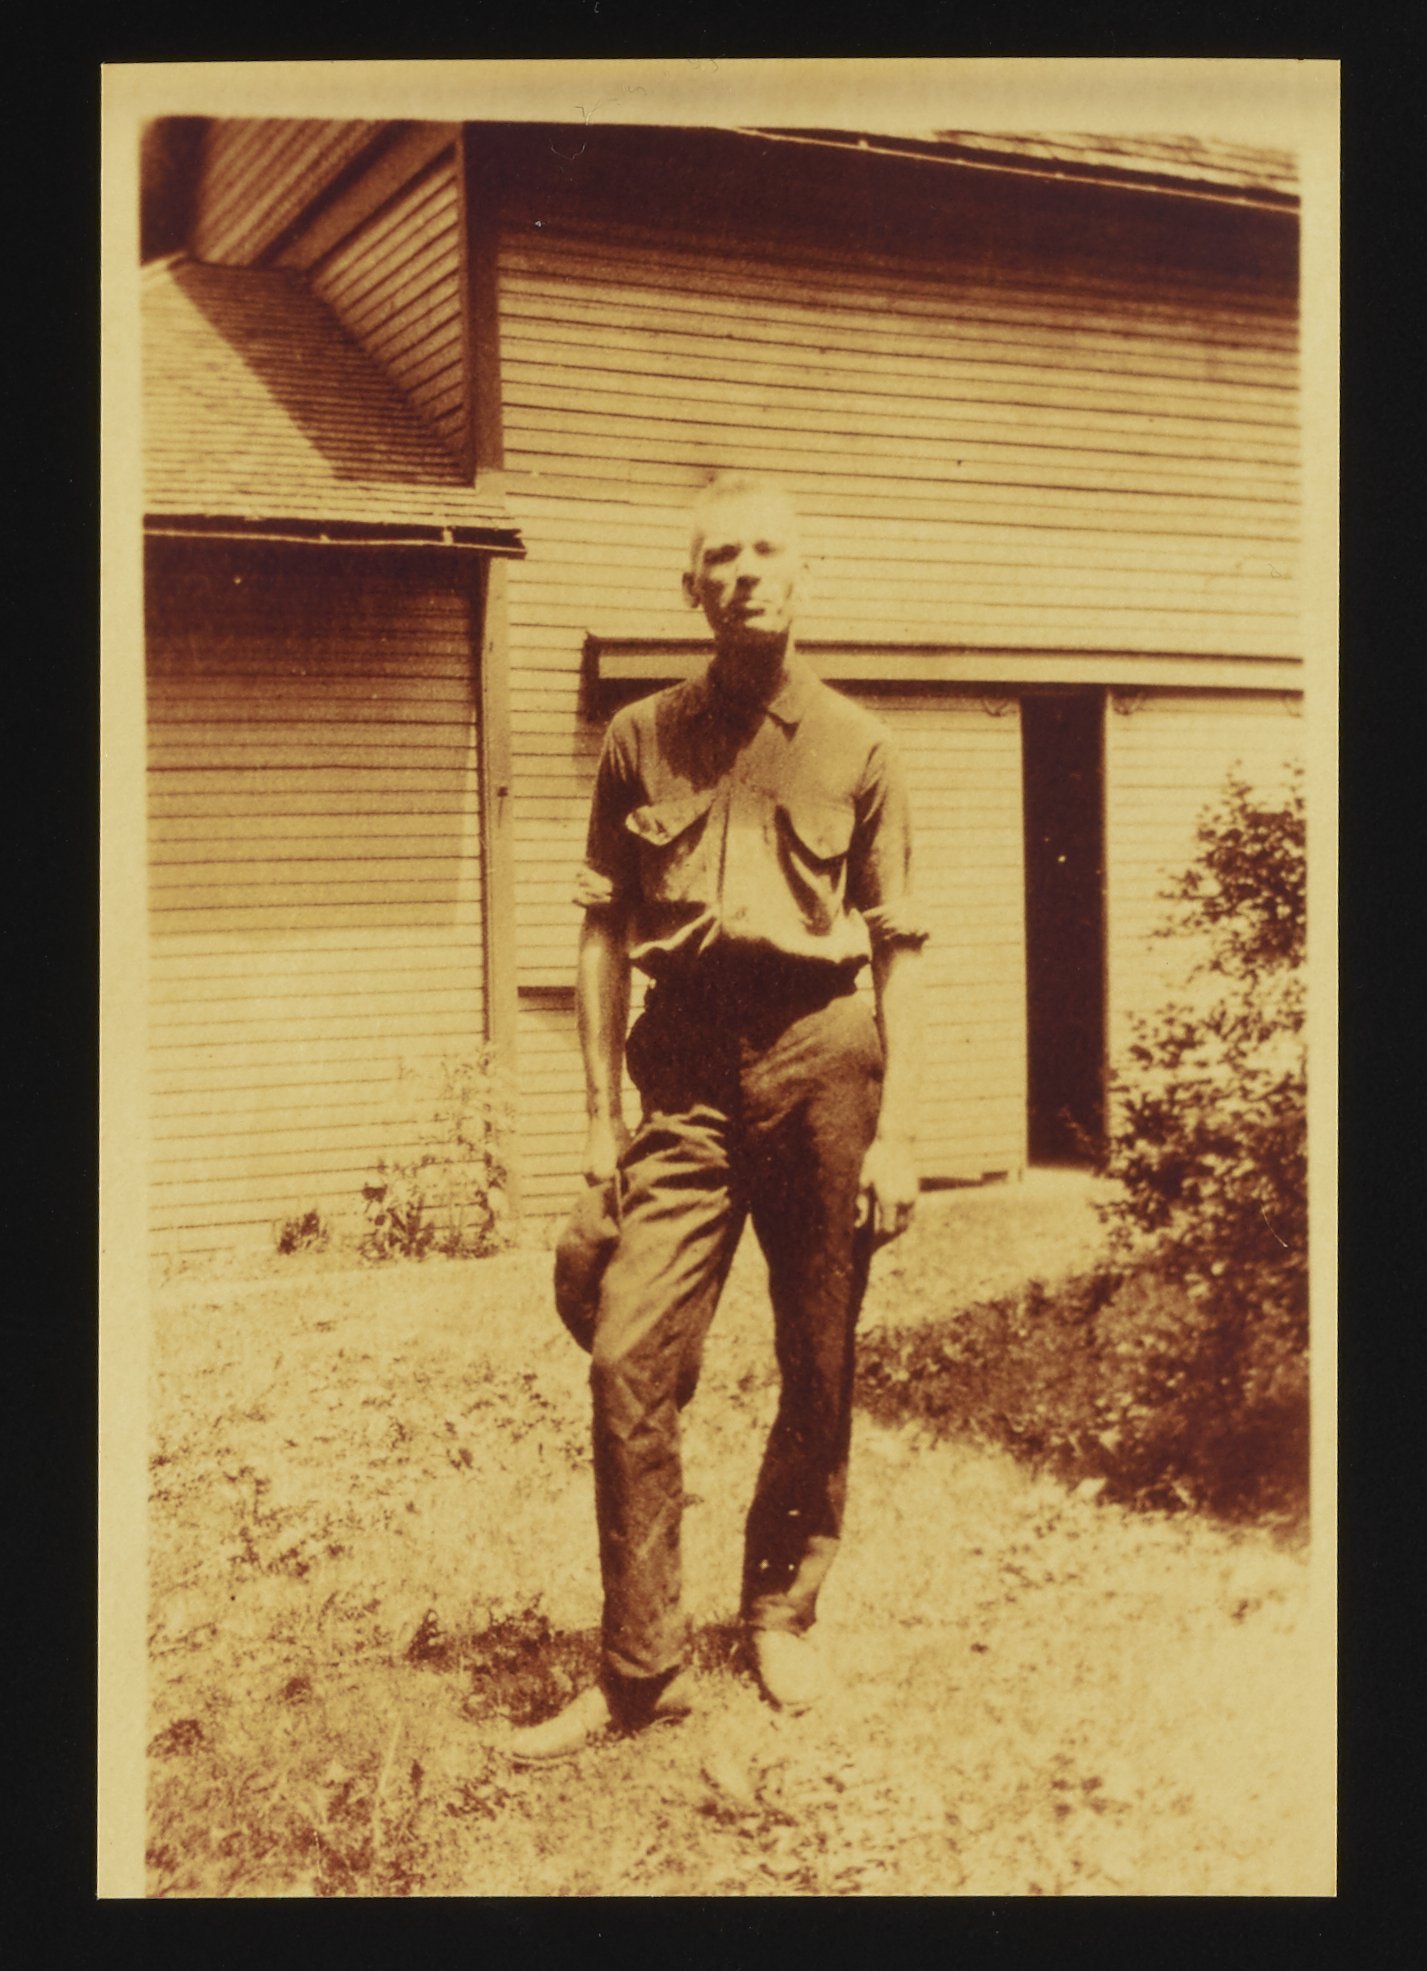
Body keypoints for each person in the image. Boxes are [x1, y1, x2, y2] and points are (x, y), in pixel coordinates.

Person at [508, 473, 928, 1762]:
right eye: (720, 556)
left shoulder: (860, 745)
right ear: (690, 587)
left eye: (766, 551)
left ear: (803, 572)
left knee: (819, 1352)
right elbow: (602, 928)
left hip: (823, 1062)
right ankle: (642, 1671)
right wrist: (597, 1124)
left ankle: (780, 1612)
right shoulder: (639, 738)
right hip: (684, 1073)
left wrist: (899, 1130)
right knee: (627, 1353)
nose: (745, 572)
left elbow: (896, 943)